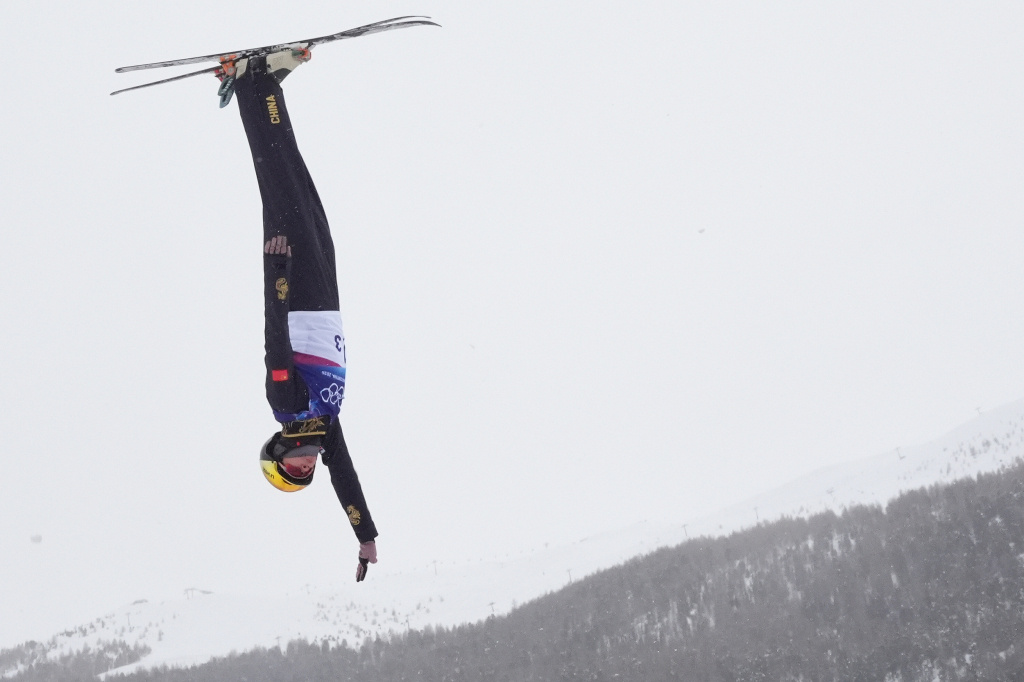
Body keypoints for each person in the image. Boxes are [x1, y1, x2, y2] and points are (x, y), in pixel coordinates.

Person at [222, 49, 378, 582]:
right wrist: (365, 535)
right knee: (304, 190)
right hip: (328, 295)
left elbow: (274, 338)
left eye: (296, 469)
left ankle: (250, 84)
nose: (308, 467)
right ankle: (270, 93)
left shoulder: (286, 404)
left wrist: (277, 270)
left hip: (296, 283)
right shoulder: (326, 431)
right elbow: (347, 479)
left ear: (280, 453)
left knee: (279, 181)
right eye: (306, 474)